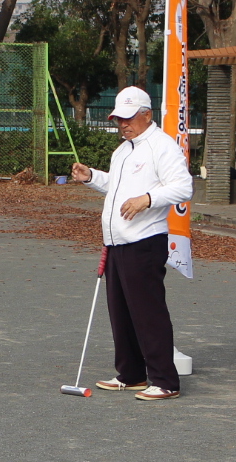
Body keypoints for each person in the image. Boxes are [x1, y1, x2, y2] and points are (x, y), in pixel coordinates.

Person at [68, 86, 194, 401]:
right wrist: (91, 177)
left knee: (148, 312)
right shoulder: (123, 150)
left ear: (146, 115)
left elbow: (183, 187)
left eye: (128, 118)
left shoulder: (162, 146)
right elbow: (117, 185)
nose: (122, 124)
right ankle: (132, 374)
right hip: (116, 242)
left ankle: (165, 380)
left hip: (145, 241)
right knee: (121, 312)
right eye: (118, 118)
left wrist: (147, 199)